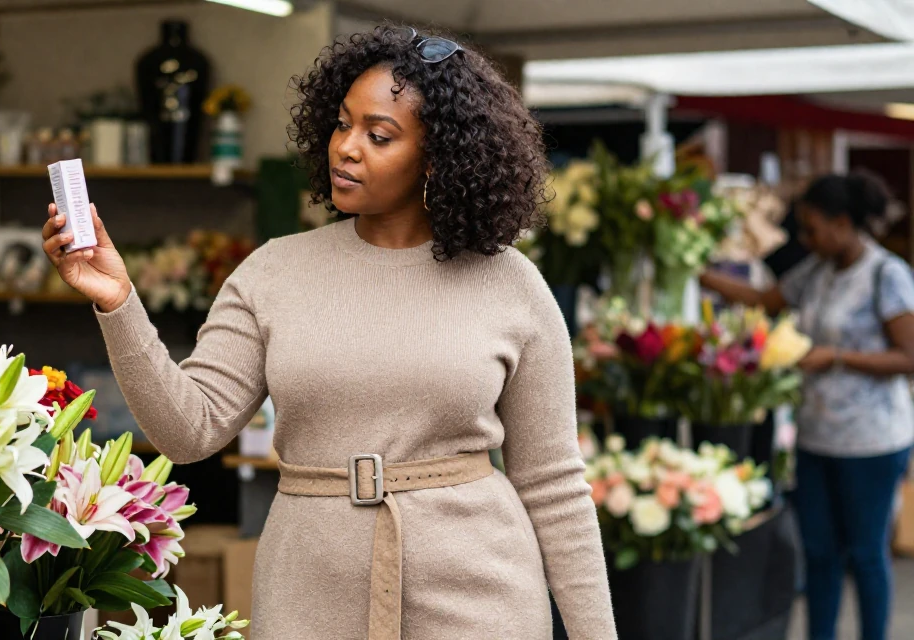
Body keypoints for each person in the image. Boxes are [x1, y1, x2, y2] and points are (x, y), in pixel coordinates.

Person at [42, 25, 615, 639]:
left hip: (481, 596)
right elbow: (189, 430)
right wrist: (119, 303)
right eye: (343, 124)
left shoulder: (511, 285)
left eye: (380, 135)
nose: (346, 148)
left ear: (440, 157)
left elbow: (553, 485)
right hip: (308, 592)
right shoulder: (274, 272)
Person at [700, 172, 914, 640]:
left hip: (872, 442)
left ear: (843, 223)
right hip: (817, 437)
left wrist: (837, 356)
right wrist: (699, 271)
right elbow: (762, 300)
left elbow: (909, 356)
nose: (805, 238)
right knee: (819, 553)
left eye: (813, 228)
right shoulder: (815, 270)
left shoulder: (886, 274)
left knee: (864, 553)